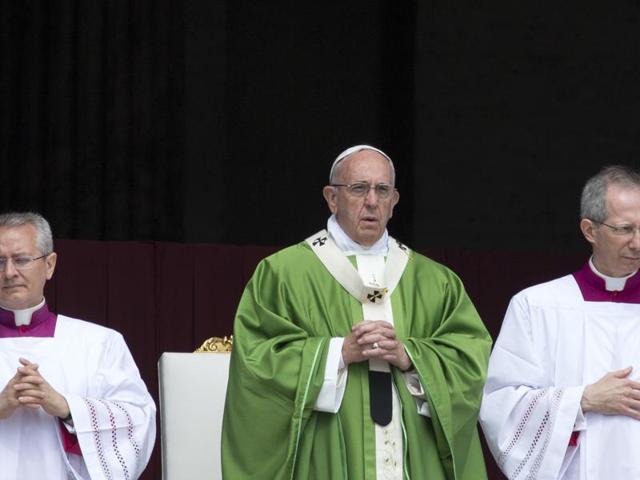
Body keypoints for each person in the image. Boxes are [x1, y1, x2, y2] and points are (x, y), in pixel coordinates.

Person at [222, 145, 492, 479]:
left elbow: (469, 359)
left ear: (394, 201)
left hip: (413, 456)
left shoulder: (435, 282)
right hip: (325, 454)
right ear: (332, 197)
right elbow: (257, 361)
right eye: (359, 189)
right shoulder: (283, 274)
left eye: (382, 190)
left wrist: (410, 356)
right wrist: (337, 352)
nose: (372, 201)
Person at [480, 165, 640, 479]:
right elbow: (500, 405)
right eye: (624, 229)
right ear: (589, 230)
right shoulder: (537, 306)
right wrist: (583, 399)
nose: (637, 242)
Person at [0, 212, 156, 479]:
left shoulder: (99, 343)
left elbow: (137, 420)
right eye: (0, 261)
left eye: (22, 260)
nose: (9, 272)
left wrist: (67, 408)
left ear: (49, 265)